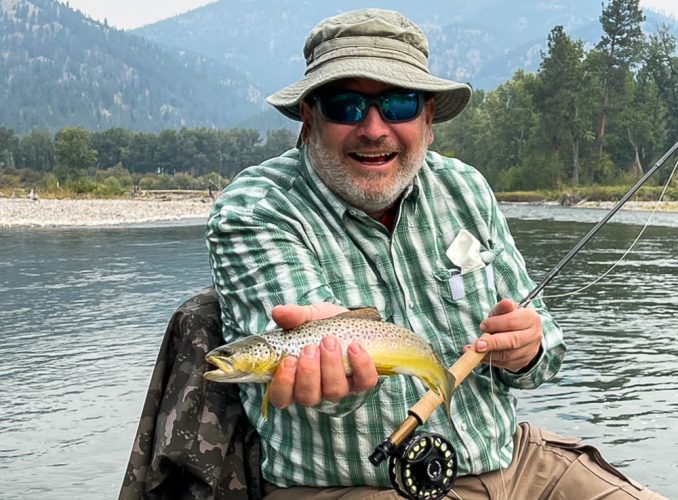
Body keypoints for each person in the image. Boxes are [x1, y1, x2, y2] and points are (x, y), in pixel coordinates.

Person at [206, 8, 664, 500]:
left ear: (428, 118)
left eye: (399, 104)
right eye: (346, 105)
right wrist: (331, 356)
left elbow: (546, 348)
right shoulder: (255, 209)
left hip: (515, 460)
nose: (375, 129)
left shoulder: (465, 188)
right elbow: (306, 393)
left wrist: (527, 350)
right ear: (308, 118)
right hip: (356, 485)